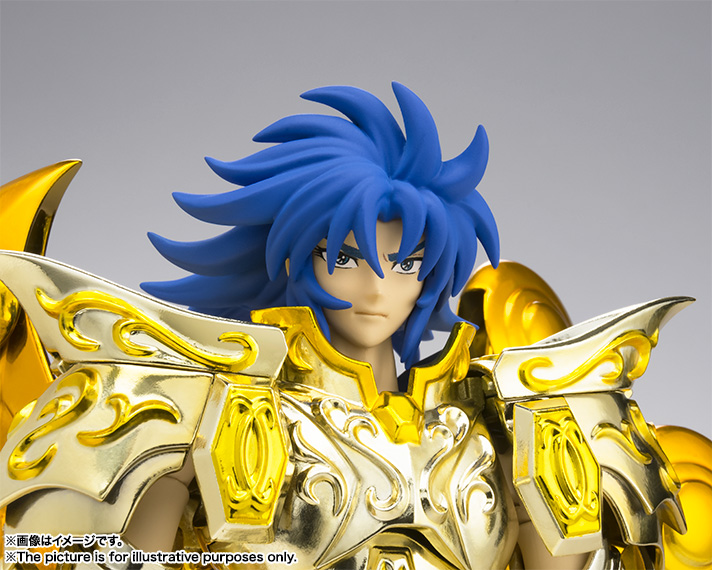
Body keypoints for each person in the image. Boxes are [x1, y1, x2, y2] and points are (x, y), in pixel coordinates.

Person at [0, 83, 701, 570]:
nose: (377, 288)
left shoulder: (498, 422)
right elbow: (98, 556)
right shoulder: (207, 405)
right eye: (346, 257)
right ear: (296, 256)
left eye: (407, 263)